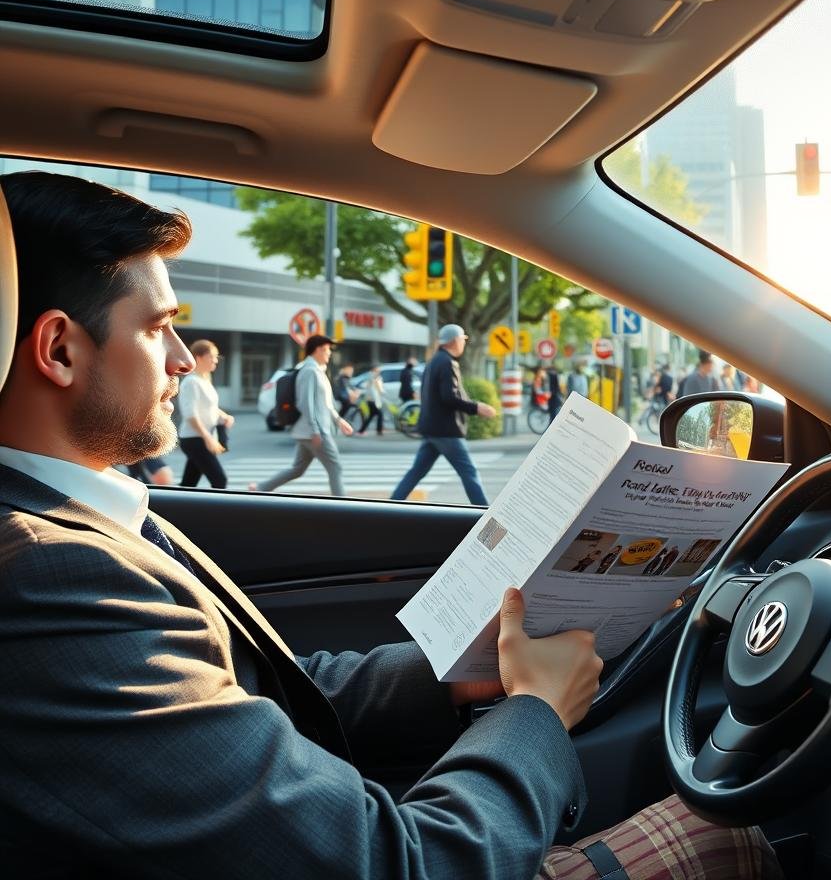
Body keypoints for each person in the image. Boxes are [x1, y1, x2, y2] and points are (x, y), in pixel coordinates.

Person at [0, 173, 779, 879]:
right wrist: (533, 713)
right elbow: (401, 866)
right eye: (157, 327)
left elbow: (258, 697)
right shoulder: (45, 577)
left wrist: (456, 672)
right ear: (60, 349)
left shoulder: (75, 523)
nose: (182, 359)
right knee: (731, 835)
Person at [391, 324, 497, 505]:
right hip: (446, 430)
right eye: (463, 340)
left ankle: (392, 504)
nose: (464, 343)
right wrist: (477, 407)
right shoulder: (447, 362)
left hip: (432, 429)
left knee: (417, 472)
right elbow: (449, 396)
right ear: (455, 341)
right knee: (469, 472)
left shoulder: (434, 361)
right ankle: (483, 512)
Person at [253, 334, 355, 496]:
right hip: (313, 431)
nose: (329, 353)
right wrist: (315, 429)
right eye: (327, 349)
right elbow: (304, 403)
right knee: (335, 467)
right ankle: (343, 505)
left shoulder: (318, 371)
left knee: (297, 469)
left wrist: (338, 420)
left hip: (308, 430)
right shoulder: (309, 371)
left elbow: (325, 404)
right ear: (317, 350)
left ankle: (261, 488)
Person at [177, 338, 233, 488]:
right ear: (199, 358)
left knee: (188, 484)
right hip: (195, 439)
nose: (216, 360)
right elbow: (190, 414)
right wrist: (207, 438)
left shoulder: (204, 380)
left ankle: (174, 509)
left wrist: (224, 416)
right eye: (212, 356)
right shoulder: (191, 382)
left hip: (200, 438)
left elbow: (210, 407)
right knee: (220, 480)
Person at [356, 364, 384, 435]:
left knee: (371, 415)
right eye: (378, 369)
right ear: (374, 369)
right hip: (372, 399)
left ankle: (362, 430)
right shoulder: (373, 376)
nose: (379, 371)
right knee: (380, 414)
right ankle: (379, 430)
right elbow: (375, 387)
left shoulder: (373, 376)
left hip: (372, 399)